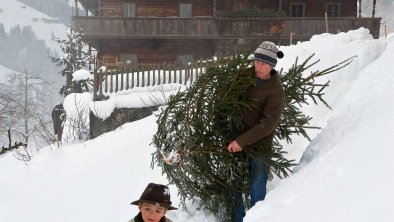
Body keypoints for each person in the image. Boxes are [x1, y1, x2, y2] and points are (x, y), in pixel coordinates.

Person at [227, 41, 285, 222]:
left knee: (257, 184)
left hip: (259, 145)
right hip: (235, 140)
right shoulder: (244, 77)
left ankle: (257, 218)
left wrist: (241, 142)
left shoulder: (276, 90)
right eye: (256, 62)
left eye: (264, 64)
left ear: (272, 66)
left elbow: (268, 124)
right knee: (234, 184)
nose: (258, 67)